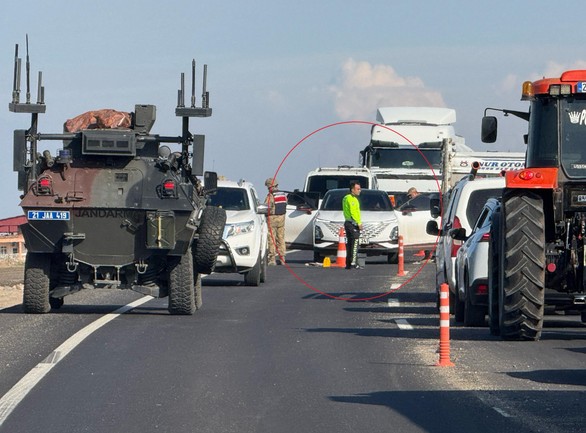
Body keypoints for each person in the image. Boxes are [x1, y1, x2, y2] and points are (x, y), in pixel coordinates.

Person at [265, 177, 287, 265]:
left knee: (272, 239)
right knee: (281, 238)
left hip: (272, 219)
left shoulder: (270, 196)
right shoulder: (282, 195)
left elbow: (268, 207)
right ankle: (282, 258)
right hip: (281, 219)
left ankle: (272, 259)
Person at [342, 181, 363, 269]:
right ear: (352, 189)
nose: (360, 191)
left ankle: (349, 263)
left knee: (350, 244)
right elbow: (353, 212)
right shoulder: (351, 199)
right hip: (352, 223)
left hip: (348, 223)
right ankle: (353, 263)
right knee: (354, 243)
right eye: (358, 189)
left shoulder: (347, 197)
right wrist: (359, 223)